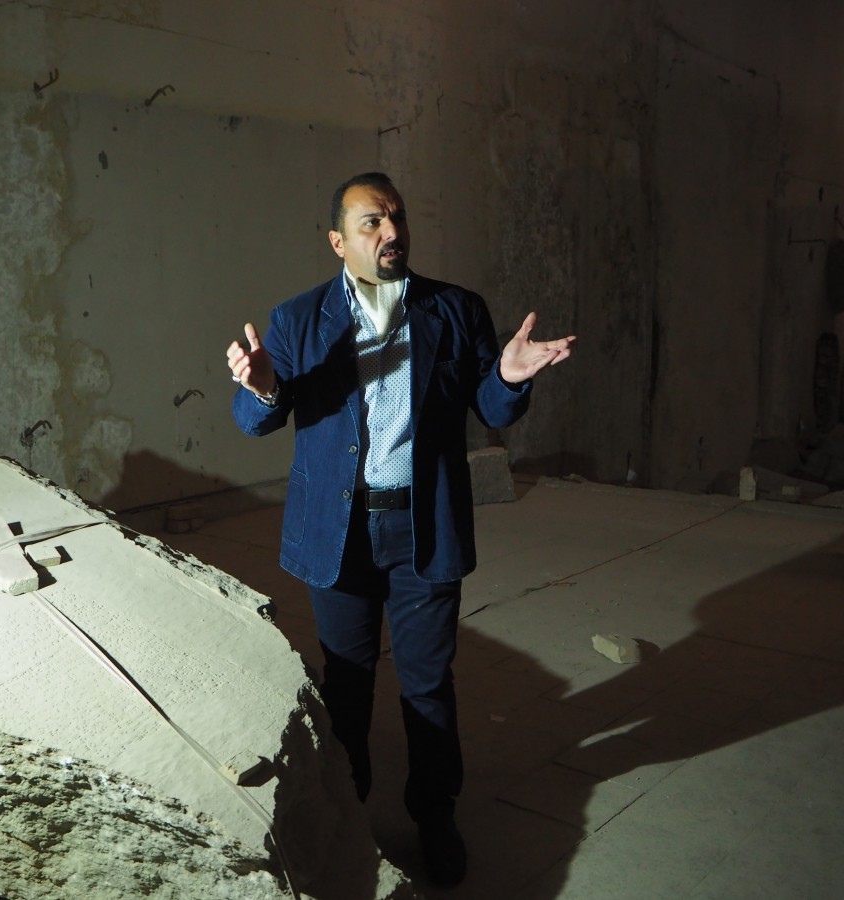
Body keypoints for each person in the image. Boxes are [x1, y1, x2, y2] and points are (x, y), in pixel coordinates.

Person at [226, 171, 574, 887]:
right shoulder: (299, 320)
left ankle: (434, 815)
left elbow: (495, 409)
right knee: (346, 685)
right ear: (337, 242)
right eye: (371, 224)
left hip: (423, 530)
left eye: (397, 219)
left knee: (426, 683)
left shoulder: (455, 310)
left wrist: (507, 377)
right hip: (342, 533)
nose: (391, 234)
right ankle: (349, 813)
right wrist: (261, 384)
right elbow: (258, 419)